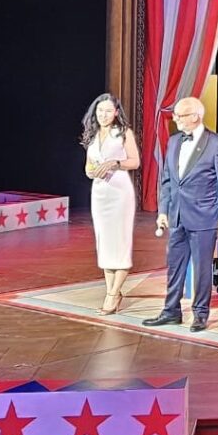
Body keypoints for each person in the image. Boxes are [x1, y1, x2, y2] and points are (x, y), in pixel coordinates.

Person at [143, 97, 218, 333]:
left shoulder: (216, 143)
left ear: (195, 116)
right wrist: (163, 210)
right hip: (177, 215)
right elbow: (167, 180)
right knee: (175, 265)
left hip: (204, 215)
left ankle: (200, 313)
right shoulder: (174, 142)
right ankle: (171, 311)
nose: (175, 119)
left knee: (202, 267)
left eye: (180, 115)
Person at [80, 93, 140, 315]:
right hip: (100, 193)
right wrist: (91, 170)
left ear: (116, 113)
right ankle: (111, 289)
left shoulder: (123, 133)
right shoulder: (93, 135)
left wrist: (116, 163)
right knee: (104, 242)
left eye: (108, 111)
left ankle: (113, 294)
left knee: (120, 241)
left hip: (119, 192)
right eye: (100, 111)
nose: (103, 115)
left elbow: (135, 161)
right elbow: (87, 167)